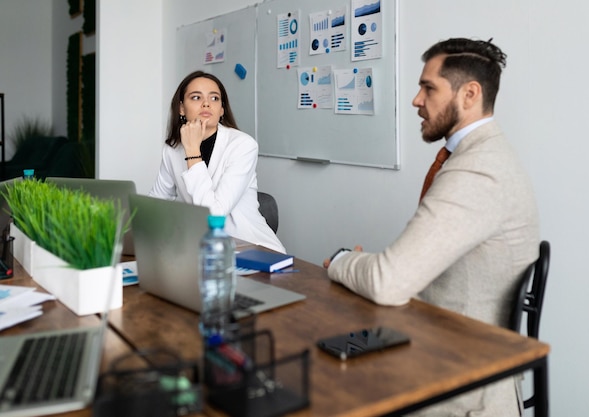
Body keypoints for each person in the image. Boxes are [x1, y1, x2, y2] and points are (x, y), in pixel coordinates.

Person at [324, 38, 540, 416]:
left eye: (428, 88)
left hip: (463, 378)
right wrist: (379, 267)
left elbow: (389, 283)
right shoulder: (479, 155)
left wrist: (341, 260)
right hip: (441, 341)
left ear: (469, 94)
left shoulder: (478, 171)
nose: (416, 100)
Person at [149, 71, 285, 253]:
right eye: (196, 97)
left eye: (214, 98)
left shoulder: (243, 145)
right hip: (202, 250)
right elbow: (155, 205)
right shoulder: (172, 149)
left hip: (251, 250)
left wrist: (192, 152)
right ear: (181, 108)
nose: (206, 103)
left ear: (221, 109)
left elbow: (214, 216)